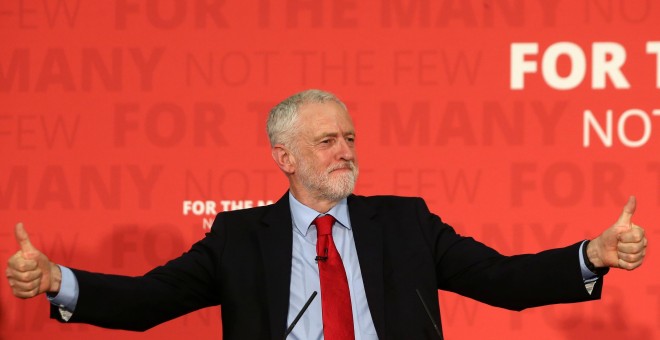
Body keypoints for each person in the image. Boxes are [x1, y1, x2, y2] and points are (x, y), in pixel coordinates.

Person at [6, 89, 648, 339]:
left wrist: (590, 256)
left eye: (350, 138)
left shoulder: (405, 222)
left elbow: (504, 283)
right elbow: (147, 302)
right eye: (326, 142)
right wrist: (59, 280)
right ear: (283, 156)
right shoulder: (238, 237)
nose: (345, 152)